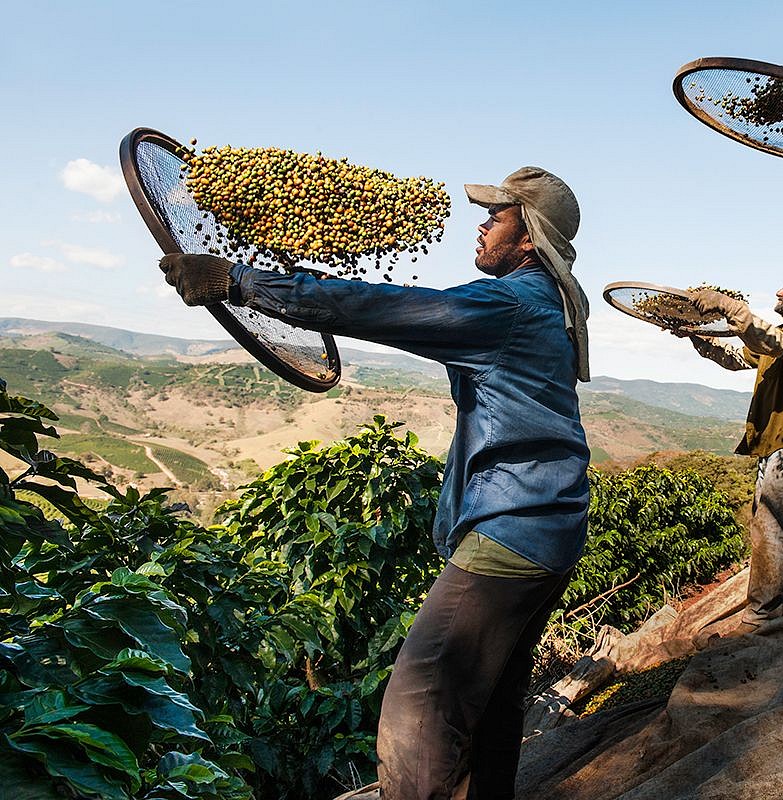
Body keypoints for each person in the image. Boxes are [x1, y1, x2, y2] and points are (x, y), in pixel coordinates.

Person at [159, 167, 590, 800]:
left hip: (514, 532)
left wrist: (240, 281)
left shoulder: (510, 306)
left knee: (420, 707)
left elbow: (380, 309)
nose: (481, 224)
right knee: (492, 708)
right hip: (551, 525)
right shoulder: (543, 302)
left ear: (529, 237)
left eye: (495, 217)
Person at [685, 271, 783, 633]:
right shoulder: (775, 339)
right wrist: (698, 338)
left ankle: (763, 613)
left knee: (771, 527)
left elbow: (773, 341)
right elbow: (738, 356)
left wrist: (729, 306)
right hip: (774, 439)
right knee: (765, 525)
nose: (780, 291)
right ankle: (765, 608)